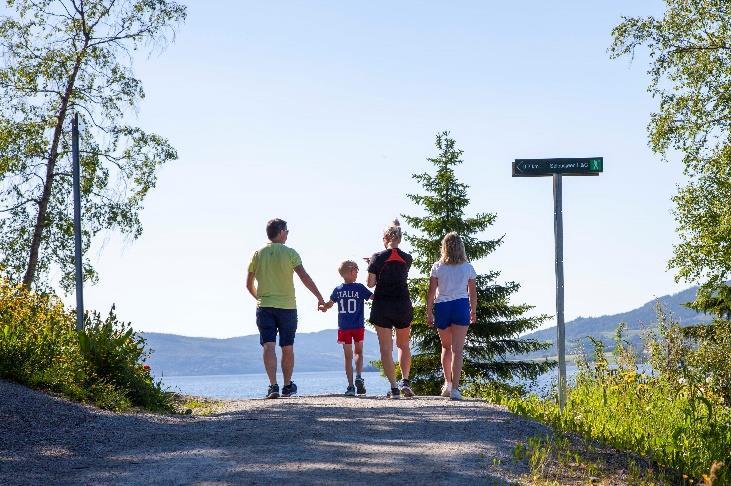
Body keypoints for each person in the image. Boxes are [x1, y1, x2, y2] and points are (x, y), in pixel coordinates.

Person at [246, 218, 326, 399]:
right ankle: (287, 385)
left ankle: (273, 385)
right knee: (287, 346)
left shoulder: (258, 254)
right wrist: (319, 298)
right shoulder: (290, 253)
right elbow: (304, 277)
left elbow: (248, 283)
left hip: (265, 307)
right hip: (288, 307)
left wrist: (259, 298)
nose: (288, 234)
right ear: (281, 232)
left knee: (268, 345)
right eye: (287, 231)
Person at [426, 232, 477, 401]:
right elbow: (473, 293)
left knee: (446, 348)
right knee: (458, 350)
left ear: (444, 247)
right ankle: (455, 389)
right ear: (461, 247)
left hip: (442, 307)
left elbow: (431, 292)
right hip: (460, 305)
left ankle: (447, 383)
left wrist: (429, 312)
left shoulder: (437, 267)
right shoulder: (467, 267)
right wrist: (473, 311)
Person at [366, 219, 414, 399]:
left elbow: (371, 284)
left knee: (386, 348)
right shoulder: (407, 258)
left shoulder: (377, 257)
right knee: (403, 345)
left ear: (385, 237)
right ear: (400, 238)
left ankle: (394, 388)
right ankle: (405, 381)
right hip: (402, 303)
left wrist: (370, 266)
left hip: (383, 305)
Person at [320, 260, 373, 396]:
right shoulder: (360, 288)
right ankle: (359, 376)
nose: (357, 272)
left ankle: (350, 386)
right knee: (359, 352)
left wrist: (322, 307)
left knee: (347, 357)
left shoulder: (338, 290)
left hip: (344, 327)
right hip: (358, 326)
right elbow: (374, 297)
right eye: (356, 269)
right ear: (350, 271)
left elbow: (329, 304)